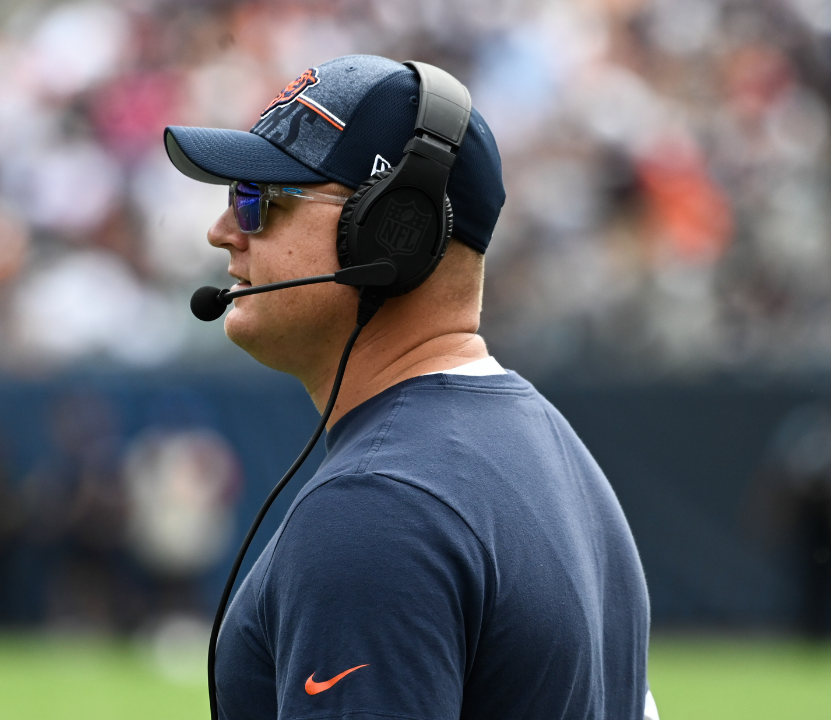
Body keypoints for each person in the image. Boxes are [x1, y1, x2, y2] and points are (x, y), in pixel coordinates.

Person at [164, 55, 656, 720]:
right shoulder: (559, 453)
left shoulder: (375, 509)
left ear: (392, 230)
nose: (223, 230)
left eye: (258, 199)